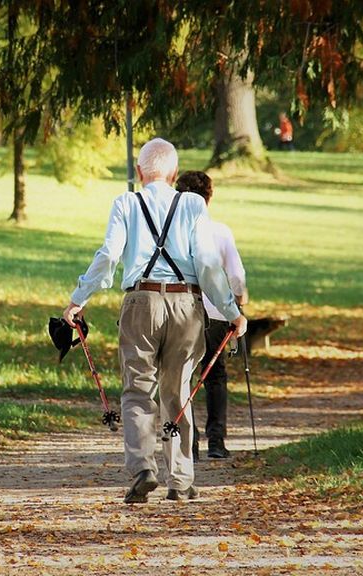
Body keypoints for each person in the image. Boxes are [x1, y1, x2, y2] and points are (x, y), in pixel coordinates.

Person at [62, 138, 247, 504]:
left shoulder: (126, 203)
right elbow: (209, 266)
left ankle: (143, 468)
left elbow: (109, 256)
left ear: (139, 172)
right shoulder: (193, 205)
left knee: (137, 389)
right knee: (178, 391)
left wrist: (77, 300)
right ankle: (181, 479)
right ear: (174, 174)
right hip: (185, 304)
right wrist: (232, 312)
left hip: (140, 301)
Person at [175, 171, 247, 460]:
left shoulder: (174, 233)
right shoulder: (220, 231)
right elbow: (236, 274)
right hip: (217, 312)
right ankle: (216, 441)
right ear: (209, 197)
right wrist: (239, 302)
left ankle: (188, 444)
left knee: (184, 375)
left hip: (184, 310)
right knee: (215, 375)